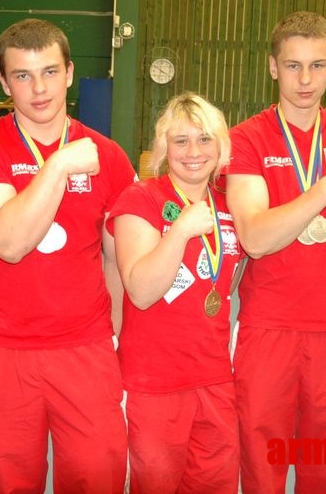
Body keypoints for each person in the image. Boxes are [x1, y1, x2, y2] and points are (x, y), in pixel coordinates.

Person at [0, 18, 135, 493]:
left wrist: (109, 339)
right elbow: (9, 242)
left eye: (50, 72)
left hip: (86, 352)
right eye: (22, 76)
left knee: (98, 478)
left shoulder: (109, 157)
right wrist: (57, 164)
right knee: (12, 483)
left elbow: (118, 261)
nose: (39, 89)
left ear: (71, 73)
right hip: (4, 354)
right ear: (2, 82)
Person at [225, 11, 326, 493]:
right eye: (293, 65)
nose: (305, 79)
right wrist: (323, 190)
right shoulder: (246, 140)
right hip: (267, 330)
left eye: (317, 65)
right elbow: (255, 236)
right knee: (262, 467)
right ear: (273, 67)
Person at [107, 92, 243, 493]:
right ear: (164, 147)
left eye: (204, 139)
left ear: (221, 146)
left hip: (216, 379)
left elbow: (228, 284)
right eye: (180, 141)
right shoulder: (140, 199)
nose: (193, 152)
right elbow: (142, 290)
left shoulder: (230, 206)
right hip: (153, 383)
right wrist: (181, 230)